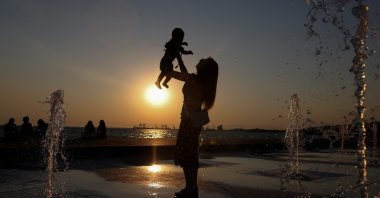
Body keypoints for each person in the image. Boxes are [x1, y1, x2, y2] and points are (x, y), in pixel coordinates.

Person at [170, 57, 219, 198]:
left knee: (187, 154)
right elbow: (183, 74)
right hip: (194, 122)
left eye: (203, 60)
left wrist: (177, 57)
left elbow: (177, 74)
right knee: (190, 154)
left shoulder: (193, 80)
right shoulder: (203, 84)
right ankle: (191, 188)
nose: (200, 59)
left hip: (188, 122)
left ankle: (191, 188)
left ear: (204, 69)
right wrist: (179, 58)